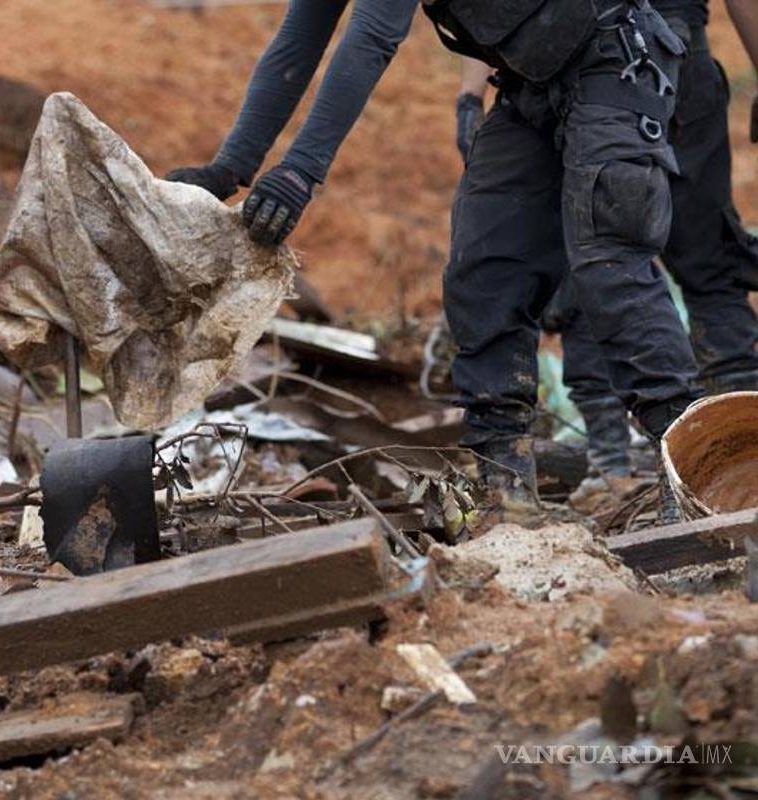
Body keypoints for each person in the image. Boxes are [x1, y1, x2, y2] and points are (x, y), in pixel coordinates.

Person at [168, 0, 702, 518]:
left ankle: (701, 475)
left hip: (614, 60)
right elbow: (297, 41)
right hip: (534, 85)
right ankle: (506, 496)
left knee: (608, 268)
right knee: (484, 271)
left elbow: (374, 35)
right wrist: (230, 168)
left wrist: (300, 172)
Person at [454, 1, 758, 499]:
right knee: (651, 264)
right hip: (603, 59)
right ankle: (713, 467)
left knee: (616, 258)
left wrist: (469, 93)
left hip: (609, 58)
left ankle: (723, 470)